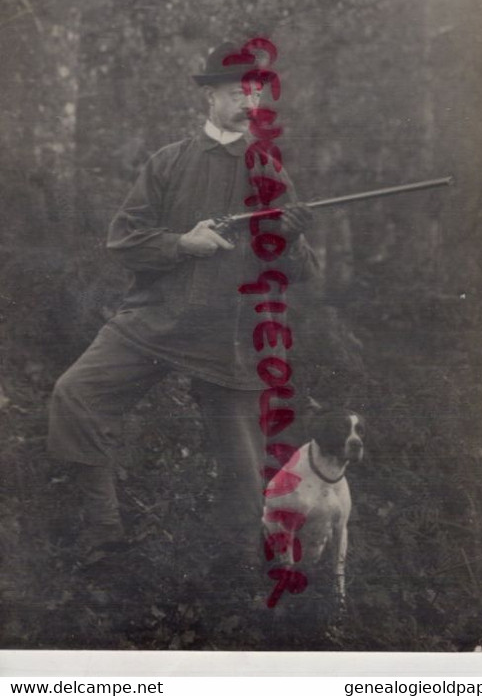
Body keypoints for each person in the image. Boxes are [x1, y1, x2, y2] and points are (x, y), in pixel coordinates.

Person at [47, 42, 317, 572]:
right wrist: (181, 245)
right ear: (210, 96)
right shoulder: (168, 162)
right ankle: (104, 542)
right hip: (156, 321)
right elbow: (123, 241)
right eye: (238, 90)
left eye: (257, 90)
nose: (249, 100)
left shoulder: (270, 171)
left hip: (233, 337)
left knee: (244, 473)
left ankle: (231, 580)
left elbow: (299, 273)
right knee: (75, 396)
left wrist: (288, 240)